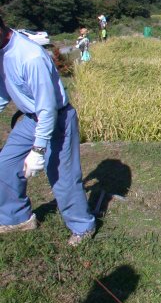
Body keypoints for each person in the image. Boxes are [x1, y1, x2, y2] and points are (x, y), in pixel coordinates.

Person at [0, 16, 96, 245]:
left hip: (57, 117)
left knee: (62, 176)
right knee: (6, 164)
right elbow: (3, 91)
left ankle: (83, 226)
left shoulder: (30, 57)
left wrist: (38, 150)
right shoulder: (2, 52)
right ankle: (17, 218)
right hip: (32, 119)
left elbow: (47, 108)